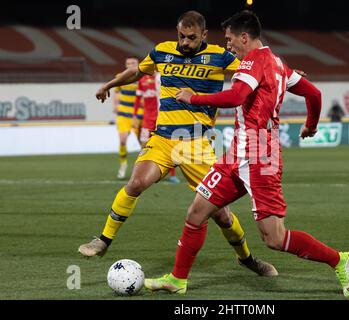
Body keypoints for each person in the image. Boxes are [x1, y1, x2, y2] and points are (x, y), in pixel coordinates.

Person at [146, 10, 349, 298]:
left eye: (231, 39)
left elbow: (236, 97)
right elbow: (314, 95)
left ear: (244, 37)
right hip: (237, 152)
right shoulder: (278, 63)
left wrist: (192, 97)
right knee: (197, 212)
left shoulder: (252, 61)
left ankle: (340, 260)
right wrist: (310, 125)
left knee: (274, 238)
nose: (228, 45)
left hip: (260, 155)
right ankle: (177, 279)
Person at [78, 10, 277, 277]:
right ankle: (103, 240)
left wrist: (283, 73)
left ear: (204, 35)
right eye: (181, 36)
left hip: (197, 143)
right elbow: (137, 72)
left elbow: (254, 65)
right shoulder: (162, 51)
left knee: (220, 214)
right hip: (162, 139)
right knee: (136, 183)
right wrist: (109, 85)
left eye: (191, 38)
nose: (184, 42)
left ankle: (247, 259)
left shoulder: (220, 56)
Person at [132, 73, 179, 183]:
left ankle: (172, 175)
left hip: (161, 118)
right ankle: (142, 171)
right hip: (147, 119)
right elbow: (138, 99)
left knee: (168, 144)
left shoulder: (161, 77)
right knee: (143, 144)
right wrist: (134, 115)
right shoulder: (142, 80)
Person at [113, 56, 143, 179]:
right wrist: (115, 105)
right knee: (122, 140)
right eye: (128, 63)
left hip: (139, 114)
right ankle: (123, 164)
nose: (130, 65)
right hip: (123, 113)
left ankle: (143, 168)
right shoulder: (120, 76)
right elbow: (116, 92)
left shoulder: (143, 77)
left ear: (138, 64)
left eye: (133, 63)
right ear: (125, 65)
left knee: (143, 143)